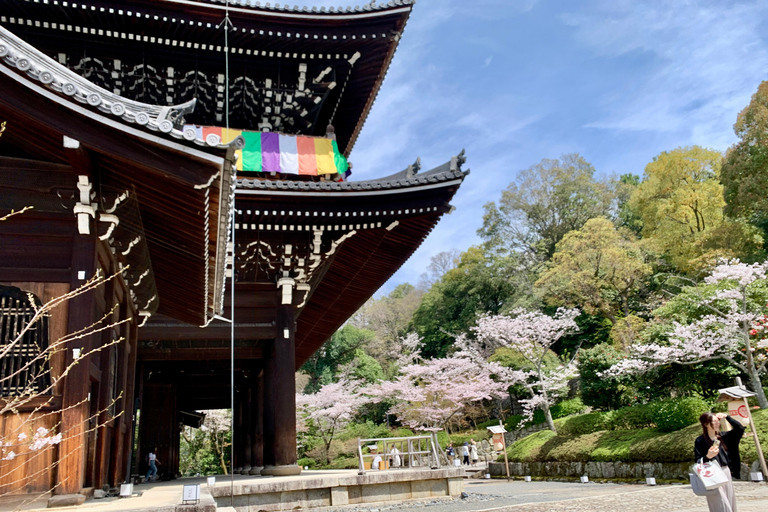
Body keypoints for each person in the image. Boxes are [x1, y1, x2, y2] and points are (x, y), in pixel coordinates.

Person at [694, 412, 741, 512]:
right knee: (719, 503)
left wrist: (727, 417)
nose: (717, 423)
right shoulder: (700, 441)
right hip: (711, 474)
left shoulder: (724, 437)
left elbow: (739, 429)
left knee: (729, 500)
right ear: (706, 424)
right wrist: (708, 456)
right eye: (714, 421)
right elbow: (698, 460)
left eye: (717, 421)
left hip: (725, 471)